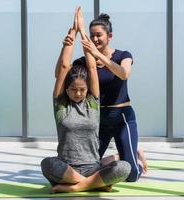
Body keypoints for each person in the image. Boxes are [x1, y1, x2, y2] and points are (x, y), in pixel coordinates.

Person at [40, 7, 131, 193]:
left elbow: (91, 66)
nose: (78, 93)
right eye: (73, 89)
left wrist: (83, 31)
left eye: (82, 90)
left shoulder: (92, 103)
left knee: (125, 168)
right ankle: (91, 183)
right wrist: (73, 32)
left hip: (93, 166)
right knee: (47, 164)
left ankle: (74, 188)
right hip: (67, 168)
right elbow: (65, 66)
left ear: (88, 89)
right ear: (66, 89)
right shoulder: (61, 105)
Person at [75, 12, 147, 182]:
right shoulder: (83, 62)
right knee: (87, 168)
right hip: (99, 119)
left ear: (109, 36)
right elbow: (63, 73)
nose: (95, 39)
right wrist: (76, 33)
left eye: (98, 35)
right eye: (92, 36)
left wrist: (99, 55)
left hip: (122, 117)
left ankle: (134, 156)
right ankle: (118, 156)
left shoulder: (123, 55)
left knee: (131, 176)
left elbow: (124, 74)